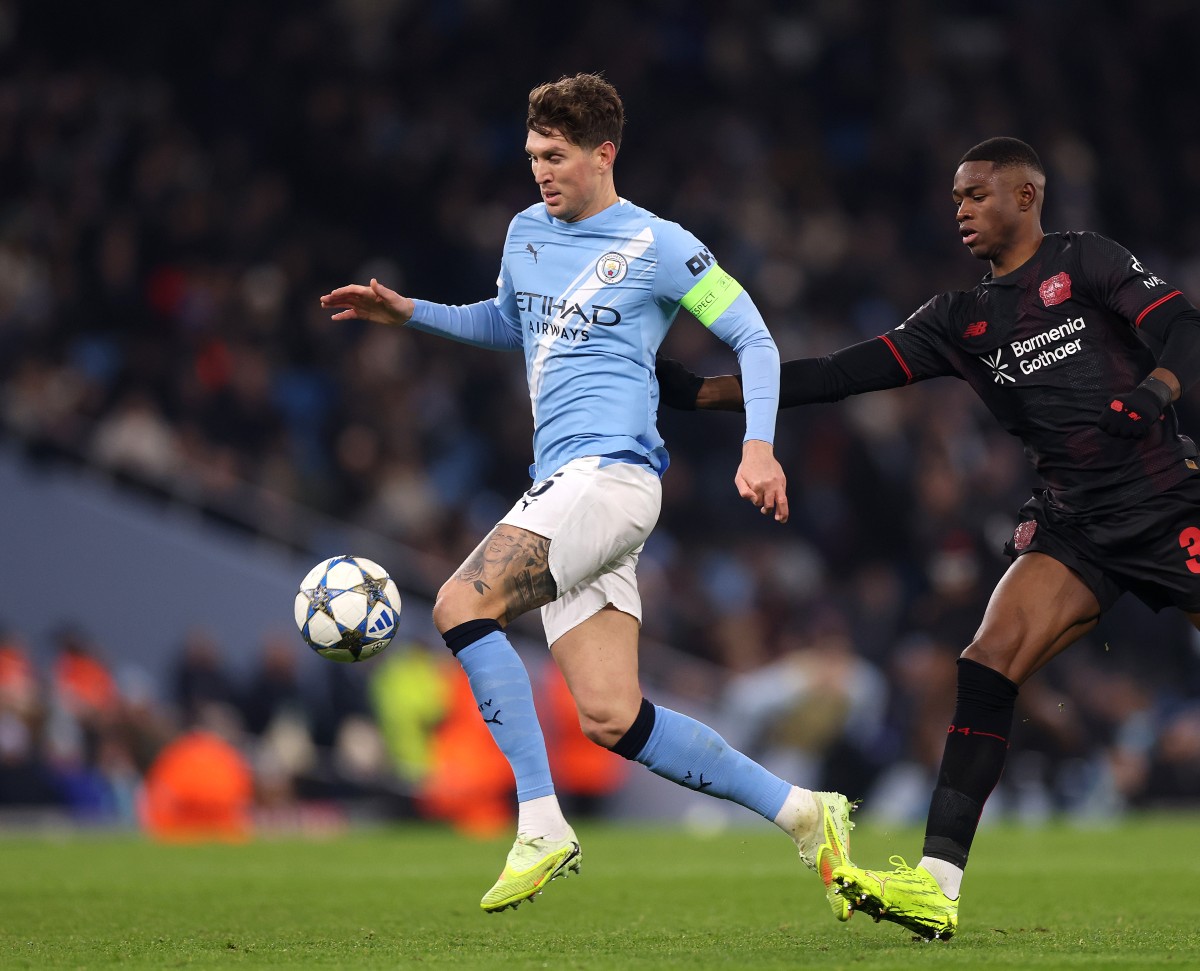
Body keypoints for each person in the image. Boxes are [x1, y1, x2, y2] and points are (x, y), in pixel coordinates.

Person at [320, 73, 853, 915]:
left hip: (610, 475)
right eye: (533, 155)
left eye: (556, 155)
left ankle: (539, 821)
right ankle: (804, 812)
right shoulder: (526, 232)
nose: (540, 171)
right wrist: (410, 312)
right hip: (567, 484)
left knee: (461, 605)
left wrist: (758, 446)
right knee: (611, 716)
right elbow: (509, 321)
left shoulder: (661, 244)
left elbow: (753, 336)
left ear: (604, 153)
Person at [656, 136, 1200, 940]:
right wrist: (704, 394)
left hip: (1166, 503)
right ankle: (936, 886)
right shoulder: (962, 319)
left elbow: (1182, 325)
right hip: (1076, 525)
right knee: (986, 663)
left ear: (1026, 195)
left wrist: (1155, 391)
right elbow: (840, 372)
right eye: (954, 200)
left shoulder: (1086, 261)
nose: (961, 212)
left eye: (976, 195)